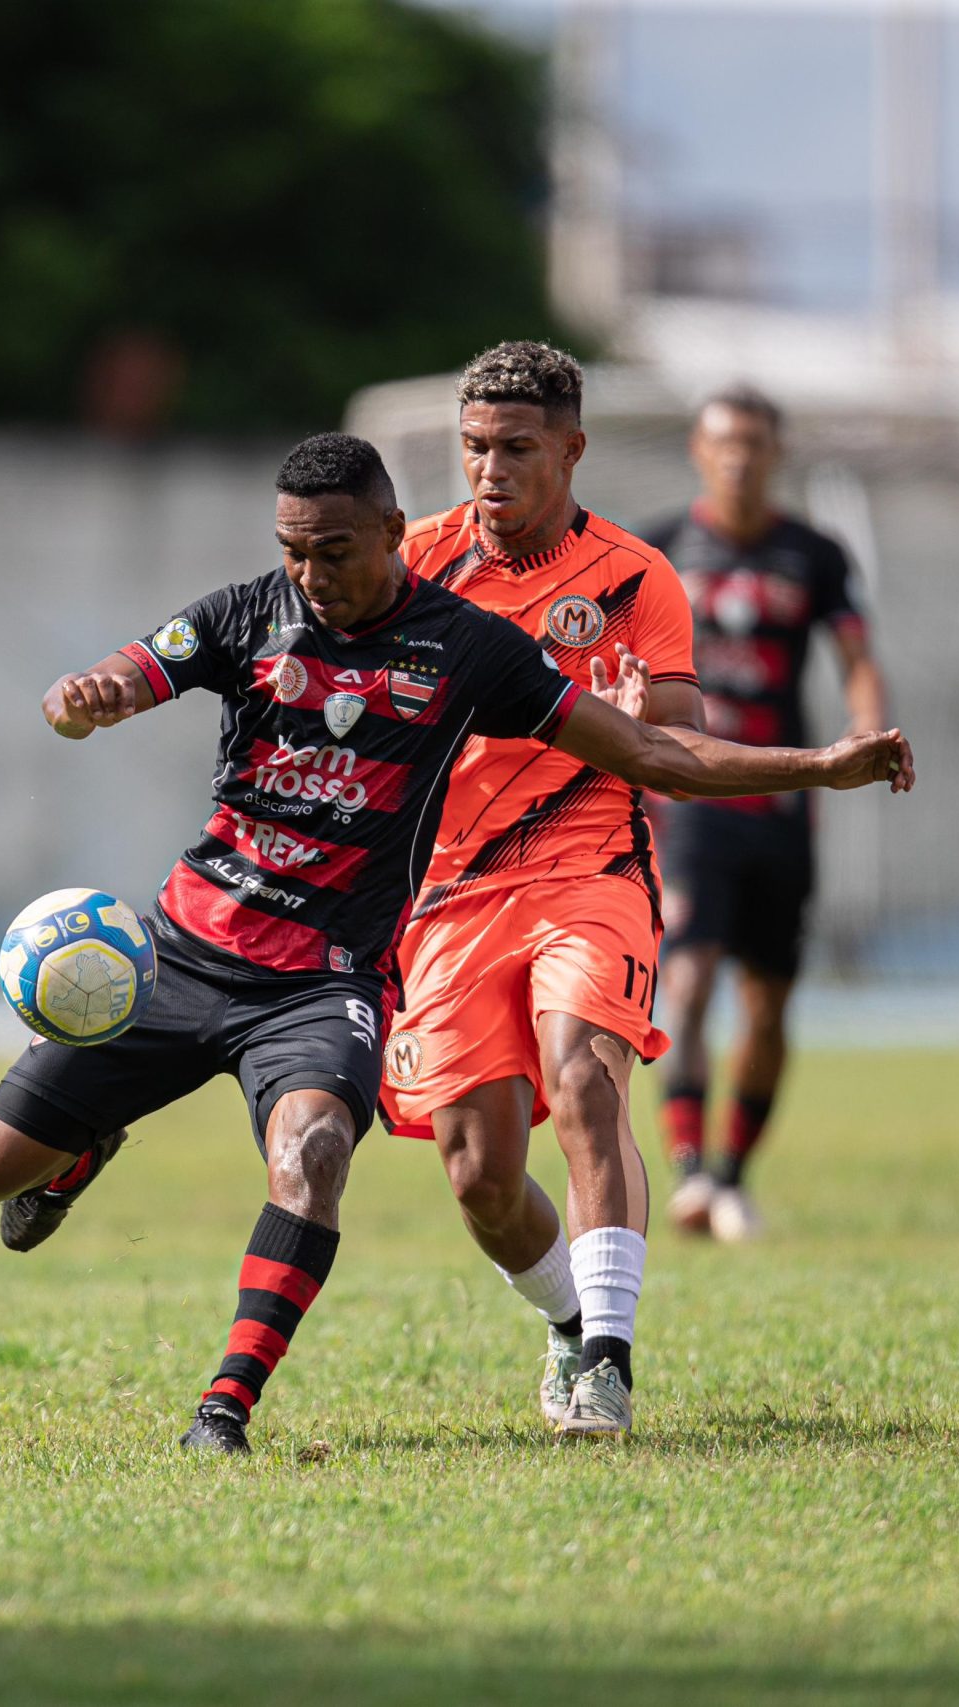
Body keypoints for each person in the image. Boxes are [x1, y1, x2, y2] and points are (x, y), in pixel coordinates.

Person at [0, 432, 913, 1456]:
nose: (310, 574)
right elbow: (140, 665)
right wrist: (88, 695)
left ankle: (222, 1410)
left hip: (323, 986)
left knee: (317, 1155)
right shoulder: (248, 614)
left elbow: (642, 750)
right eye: (292, 550)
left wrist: (817, 764)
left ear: (388, 535)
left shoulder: (466, 647)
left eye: (332, 550)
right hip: (186, 952)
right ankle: (78, 1149)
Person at [380, 341, 708, 1437]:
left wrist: (632, 715)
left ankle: (608, 1360)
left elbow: (681, 733)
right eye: (473, 447)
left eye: (516, 447)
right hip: (448, 893)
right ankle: (566, 1322)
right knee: (478, 1172)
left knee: (585, 1081)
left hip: (590, 864)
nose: (489, 469)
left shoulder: (634, 576)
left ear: (570, 449)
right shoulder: (410, 565)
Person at [637, 386, 888, 1241]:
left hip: (781, 803)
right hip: (691, 800)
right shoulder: (660, 547)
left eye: (754, 441)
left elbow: (857, 658)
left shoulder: (814, 553)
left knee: (770, 1003)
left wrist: (867, 729)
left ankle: (734, 1173)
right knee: (691, 976)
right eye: (723, 441)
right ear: (699, 452)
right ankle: (690, 1171)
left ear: (776, 453)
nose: (739, 455)